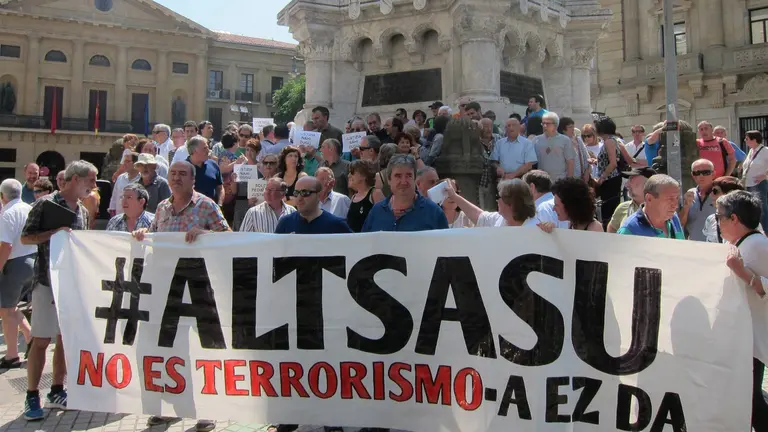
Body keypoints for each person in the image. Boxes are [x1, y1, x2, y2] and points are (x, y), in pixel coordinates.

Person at [133, 160, 229, 432]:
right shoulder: (162, 207)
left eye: (182, 174)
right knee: (168, 348)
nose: (176, 178)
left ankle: (206, 410)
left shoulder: (207, 206)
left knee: (199, 349)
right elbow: (153, 238)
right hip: (167, 288)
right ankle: (169, 408)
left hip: (198, 287)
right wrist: (143, 234)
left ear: (193, 179)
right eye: (173, 173)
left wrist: (206, 234)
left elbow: (229, 238)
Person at [20, 160, 98, 420]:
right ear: (76, 180)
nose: (94, 186)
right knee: (41, 340)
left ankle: (57, 389)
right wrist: (54, 233)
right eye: (91, 180)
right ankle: (32, 395)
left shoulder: (84, 211)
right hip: (45, 282)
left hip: (71, 284)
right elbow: (25, 237)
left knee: (65, 339)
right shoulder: (45, 204)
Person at [719, 190, 768, 431]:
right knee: (747, 398)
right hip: (744, 338)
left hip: (754, 339)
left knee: (750, 400)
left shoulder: (758, 244)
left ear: (734, 219)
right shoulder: (741, 243)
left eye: (720, 217)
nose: (718, 223)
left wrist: (742, 273)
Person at [362, 154, 449, 232]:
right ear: (389, 180)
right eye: (398, 176)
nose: (404, 182)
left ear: (415, 179)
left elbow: (445, 247)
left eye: (408, 176)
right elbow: (365, 244)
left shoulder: (434, 213)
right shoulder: (376, 212)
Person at [0, 179, 34, 369]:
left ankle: (12, 354)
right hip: (31, 259)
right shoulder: (27, 208)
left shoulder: (8, 213)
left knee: (6, 310)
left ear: (2, 196)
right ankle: (30, 337)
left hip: (15, 263)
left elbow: (6, 245)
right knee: (9, 308)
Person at [274, 177, 352, 234]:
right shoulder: (285, 223)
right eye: (296, 193)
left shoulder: (337, 225)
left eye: (305, 193)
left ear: (319, 195)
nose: (299, 198)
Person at [617, 174, 684, 238]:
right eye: (670, 199)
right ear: (649, 199)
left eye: (677, 198)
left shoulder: (673, 217)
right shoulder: (629, 230)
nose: (676, 206)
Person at [538, 177, 603, 232]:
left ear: (570, 207)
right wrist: (552, 230)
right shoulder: (570, 224)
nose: (553, 209)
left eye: (557, 205)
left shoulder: (594, 228)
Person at [607, 167, 656, 233]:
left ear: (647, 185)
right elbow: (612, 228)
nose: (626, 185)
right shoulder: (622, 207)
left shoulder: (662, 210)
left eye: (632, 180)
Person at [346, 160, 385, 232]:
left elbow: (383, 218)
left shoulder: (375, 194)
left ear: (363, 175)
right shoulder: (354, 197)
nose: (349, 175)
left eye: (352, 172)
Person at [742, 130, 768, 232]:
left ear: (754, 139)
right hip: (748, 184)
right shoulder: (752, 150)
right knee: (753, 209)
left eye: (747, 139)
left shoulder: (765, 150)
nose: (745, 140)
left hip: (759, 184)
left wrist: (765, 175)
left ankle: (766, 232)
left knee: (762, 209)